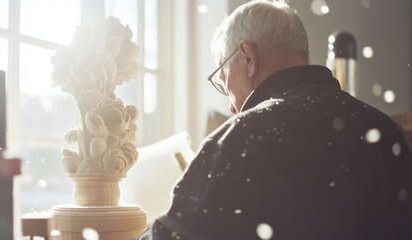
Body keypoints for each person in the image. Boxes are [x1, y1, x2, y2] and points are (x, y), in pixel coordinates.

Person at [148, 0, 412, 239]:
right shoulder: (388, 132)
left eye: (225, 83)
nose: (231, 107)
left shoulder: (240, 139)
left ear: (248, 58)